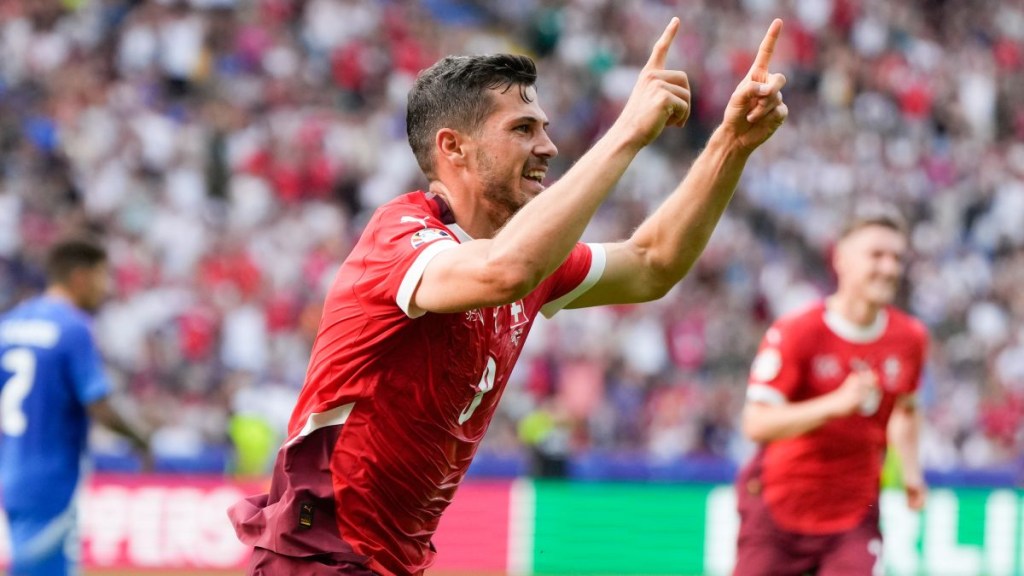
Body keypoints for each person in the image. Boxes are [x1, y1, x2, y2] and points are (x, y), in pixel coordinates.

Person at [230, 16, 788, 576]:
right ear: (455, 147)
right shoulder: (400, 238)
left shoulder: (524, 255)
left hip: (390, 563)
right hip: (318, 557)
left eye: (543, 127)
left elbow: (652, 264)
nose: (547, 146)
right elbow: (505, 272)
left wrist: (730, 145)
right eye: (523, 129)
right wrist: (626, 132)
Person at [734, 204, 929, 575]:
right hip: (777, 509)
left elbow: (906, 407)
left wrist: (912, 471)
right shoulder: (797, 332)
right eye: (877, 255)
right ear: (840, 259)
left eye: (896, 258)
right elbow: (756, 424)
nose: (889, 268)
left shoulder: (910, 338)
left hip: (853, 515)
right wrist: (835, 405)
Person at [0, 236, 152, 576]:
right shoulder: (73, 327)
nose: (106, 287)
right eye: (102, 276)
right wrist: (142, 440)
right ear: (80, 277)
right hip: (53, 477)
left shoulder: (8, 326)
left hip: (10, 474)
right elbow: (98, 404)